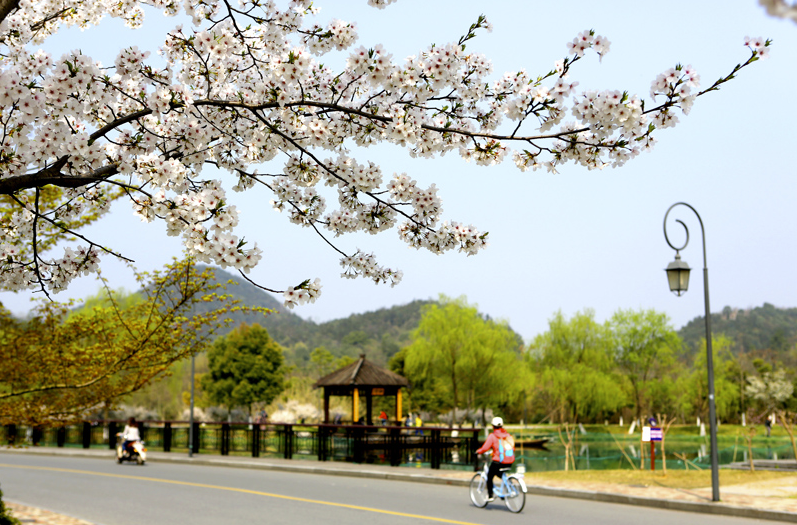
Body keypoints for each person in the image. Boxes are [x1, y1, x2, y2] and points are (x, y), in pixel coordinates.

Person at [475, 416, 515, 502]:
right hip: (510, 461)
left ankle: (490, 496)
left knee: (489, 476)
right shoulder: (507, 435)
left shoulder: (492, 436)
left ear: (493, 426)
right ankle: (507, 487)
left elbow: (485, 448)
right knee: (499, 473)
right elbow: (512, 448)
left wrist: (478, 451)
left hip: (499, 462)